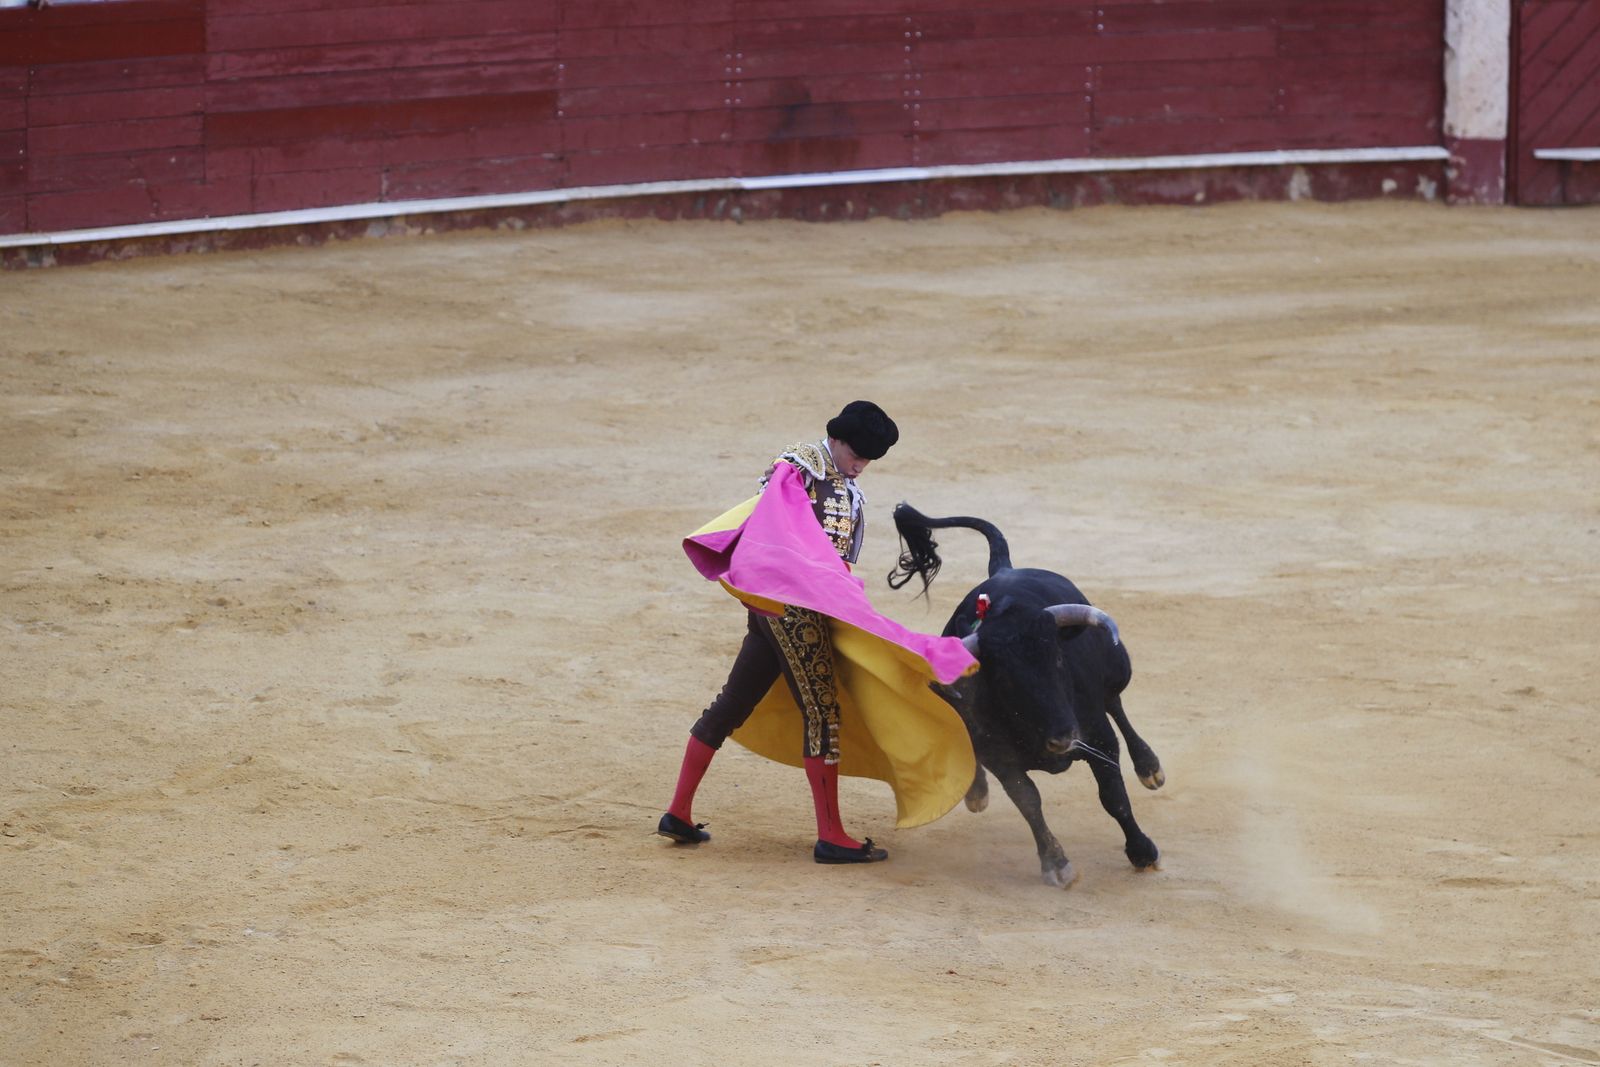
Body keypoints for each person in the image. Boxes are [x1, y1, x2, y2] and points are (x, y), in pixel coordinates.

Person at [658, 401, 910, 864]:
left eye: (870, 459)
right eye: (857, 453)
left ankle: (677, 812)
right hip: (795, 609)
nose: (862, 464)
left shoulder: (837, 480)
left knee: (732, 703)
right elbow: (775, 521)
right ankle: (832, 836)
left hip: (780, 607)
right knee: (822, 713)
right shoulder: (799, 467)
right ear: (836, 439)